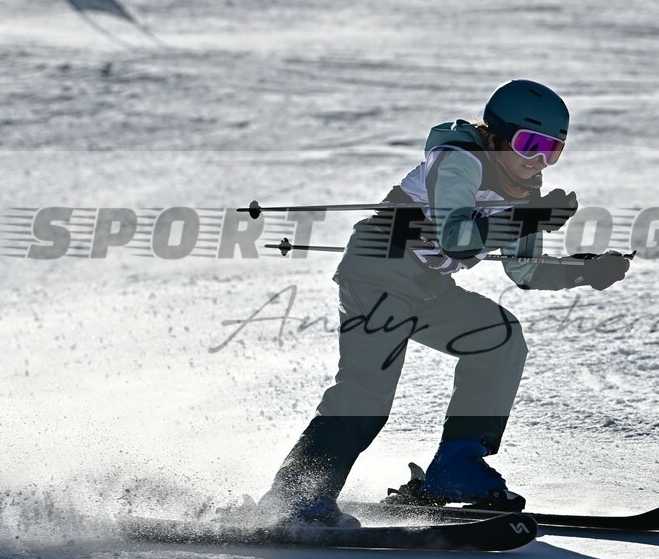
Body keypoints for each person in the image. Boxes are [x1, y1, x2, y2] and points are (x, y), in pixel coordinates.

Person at [258, 79, 631, 527]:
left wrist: (583, 271)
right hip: (377, 273)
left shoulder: (526, 192)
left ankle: (456, 468)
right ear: (495, 136)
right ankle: (295, 498)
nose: (538, 161)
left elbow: (525, 272)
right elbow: (457, 241)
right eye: (529, 144)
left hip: (427, 288)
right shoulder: (459, 162)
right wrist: (526, 219)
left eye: (552, 150)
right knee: (366, 397)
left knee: (500, 338)